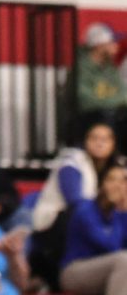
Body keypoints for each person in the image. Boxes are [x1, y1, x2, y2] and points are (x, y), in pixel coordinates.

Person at [31, 122, 122, 287]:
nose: (99, 143)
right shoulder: (72, 162)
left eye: (105, 139)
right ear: (85, 141)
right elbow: (75, 202)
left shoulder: (114, 169)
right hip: (54, 229)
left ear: (113, 144)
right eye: (94, 138)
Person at [60, 163, 127, 295]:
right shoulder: (86, 209)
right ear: (101, 184)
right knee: (124, 260)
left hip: (111, 271)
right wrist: (121, 213)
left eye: (123, 181)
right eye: (111, 179)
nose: (117, 185)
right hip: (75, 271)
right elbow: (110, 246)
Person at [76, 25, 127, 153]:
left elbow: (123, 92)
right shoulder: (81, 68)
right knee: (106, 115)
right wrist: (117, 101)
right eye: (111, 41)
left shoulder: (110, 68)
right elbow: (86, 101)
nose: (116, 45)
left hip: (113, 116)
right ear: (99, 45)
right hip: (89, 119)